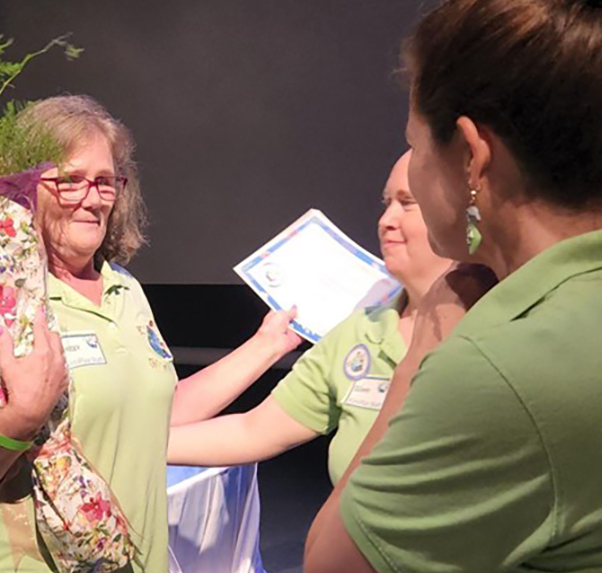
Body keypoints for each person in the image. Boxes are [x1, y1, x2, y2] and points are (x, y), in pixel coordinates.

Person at [304, 0, 602, 573]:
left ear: (471, 156)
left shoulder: (501, 369)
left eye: (416, 144)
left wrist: (421, 357)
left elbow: (330, 566)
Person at [0, 95, 299, 573]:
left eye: (105, 182)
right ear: (25, 187)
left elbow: (152, 416)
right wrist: (19, 420)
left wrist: (266, 345)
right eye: (69, 180)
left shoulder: (126, 289)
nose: (92, 197)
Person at [167, 150, 452, 484]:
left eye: (408, 203)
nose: (386, 220)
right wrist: (124, 445)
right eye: (386, 203)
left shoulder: (499, 326)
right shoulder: (359, 332)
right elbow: (254, 430)